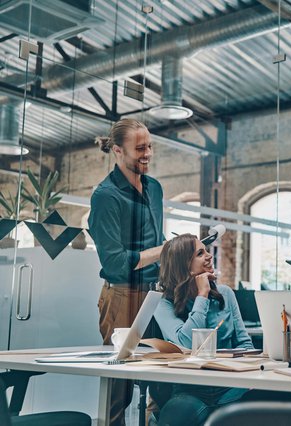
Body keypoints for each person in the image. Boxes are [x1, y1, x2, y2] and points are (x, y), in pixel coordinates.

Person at [88, 118, 165, 426]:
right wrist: (164, 251)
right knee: (118, 391)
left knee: (163, 378)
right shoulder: (105, 196)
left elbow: (153, 241)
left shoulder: (155, 188)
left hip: (155, 295)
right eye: (140, 148)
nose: (147, 153)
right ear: (118, 151)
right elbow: (115, 262)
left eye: (149, 146)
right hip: (121, 294)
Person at [154, 234, 254, 425]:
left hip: (229, 386)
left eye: (206, 251)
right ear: (183, 264)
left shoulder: (225, 293)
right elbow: (186, 343)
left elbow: (244, 343)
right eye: (200, 253)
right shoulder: (163, 303)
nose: (209, 256)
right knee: (174, 416)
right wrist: (202, 295)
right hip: (190, 390)